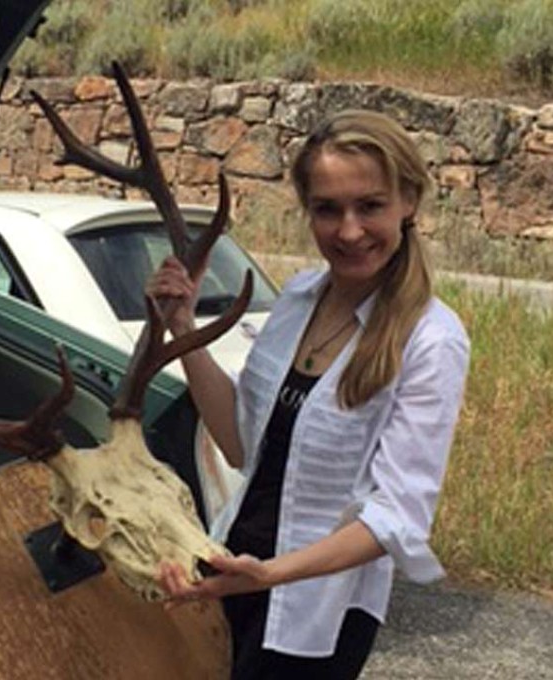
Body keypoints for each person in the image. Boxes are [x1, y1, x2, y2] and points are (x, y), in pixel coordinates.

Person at [152, 109, 470, 679]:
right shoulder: (298, 299)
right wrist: (182, 329)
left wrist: (273, 574)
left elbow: (396, 518)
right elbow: (239, 444)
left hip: (317, 614)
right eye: (328, 209)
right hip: (234, 571)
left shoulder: (431, 340)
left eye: (370, 205)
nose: (349, 231)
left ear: (410, 202)